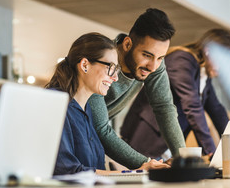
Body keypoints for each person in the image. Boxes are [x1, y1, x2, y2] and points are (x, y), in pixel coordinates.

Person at [121, 29, 230, 167]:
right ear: (208, 51)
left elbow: (218, 112)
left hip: (168, 143)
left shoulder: (203, 75)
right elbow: (193, 107)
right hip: (148, 135)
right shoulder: (182, 60)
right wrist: (212, 154)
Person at [46, 32, 169, 175]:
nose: (115, 78)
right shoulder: (57, 104)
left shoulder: (87, 111)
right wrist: (135, 173)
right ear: (85, 65)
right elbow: (68, 170)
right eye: (110, 68)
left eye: (116, 70)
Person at [88, 8, 186, 170]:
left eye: (160, 58)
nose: (153, 66)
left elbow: (164, 108)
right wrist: (144, 163)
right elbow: (100, 128)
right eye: (147, 55)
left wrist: (183, 158)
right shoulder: (102, 61)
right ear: (127, 44)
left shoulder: (153, 66)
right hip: (65, 134)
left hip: (93, 140)